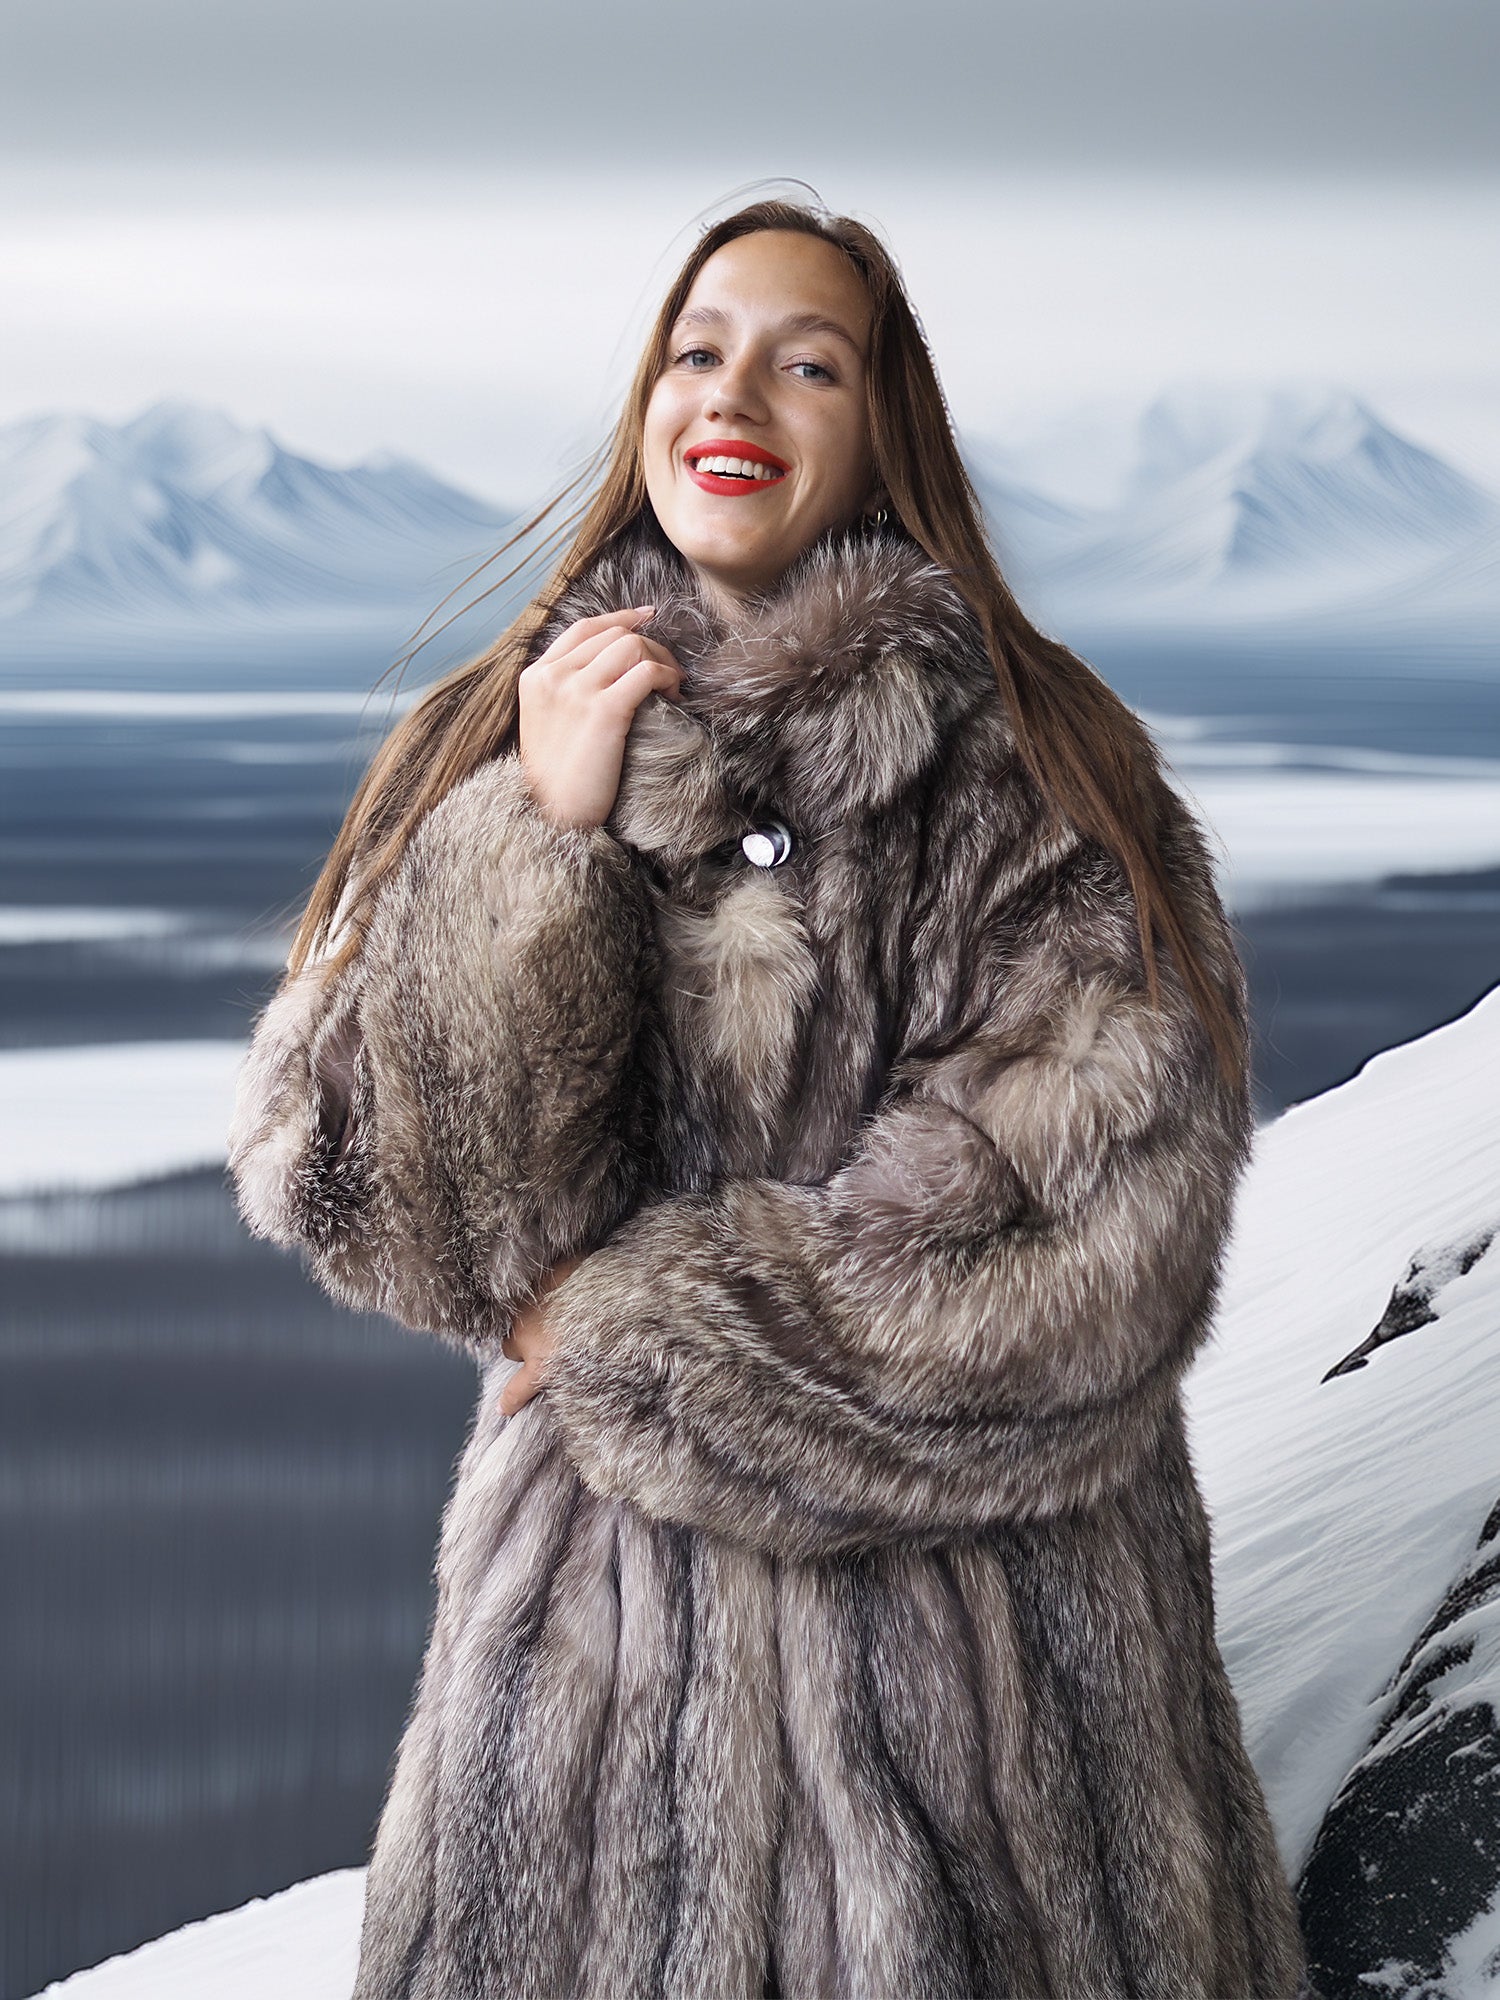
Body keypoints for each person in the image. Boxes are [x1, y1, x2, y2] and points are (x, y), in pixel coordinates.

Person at [228, 197, 1316, 1999]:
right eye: (697, 346)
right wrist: (540, 838)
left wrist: (636, 1334)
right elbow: (380, 1201)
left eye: (810, 361)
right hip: (585, 1748)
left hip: (990, 1745)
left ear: (888, 427)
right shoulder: (496, 741)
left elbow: (1087, 1251)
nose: (736, 390)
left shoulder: (1039, 764)